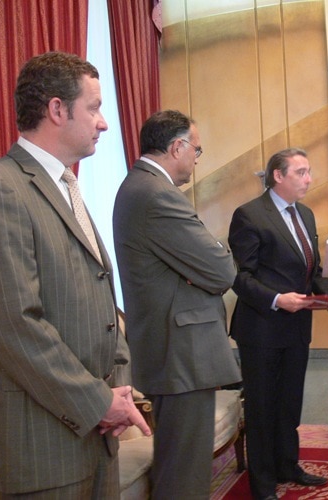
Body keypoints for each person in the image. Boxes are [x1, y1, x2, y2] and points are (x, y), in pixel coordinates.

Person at [0, 51, 151, 498]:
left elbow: (99, 297)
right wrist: (97, 402)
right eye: (93, 107)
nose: (104, 122)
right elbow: (15, 322)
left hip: (97, 434)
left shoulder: (65, 186)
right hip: (43, 445)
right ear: (56, 109)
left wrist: (119, 391)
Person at [113, 109, 241, 499]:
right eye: (197, 150)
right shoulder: (156, 194)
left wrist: (201, 264)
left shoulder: (144, 187)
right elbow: (222, 269)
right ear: (176, 146)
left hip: (175, 349)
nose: (197, 160)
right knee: (183, 475)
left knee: (183, 466)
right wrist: (210, 259)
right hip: (180, 352)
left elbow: (209, 263)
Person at [228, 148, 328, 500]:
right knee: (262, 407)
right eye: (301, 172)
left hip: (297, 329)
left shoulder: (307, 215)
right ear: (278, 176)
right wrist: (277, 299)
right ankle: (263, 482)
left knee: (289, 403)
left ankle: (287, 465)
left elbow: (312, 271)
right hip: (262, 328)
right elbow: (240, 277)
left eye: (309, 172)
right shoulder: (249, 215)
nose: (309, 179)